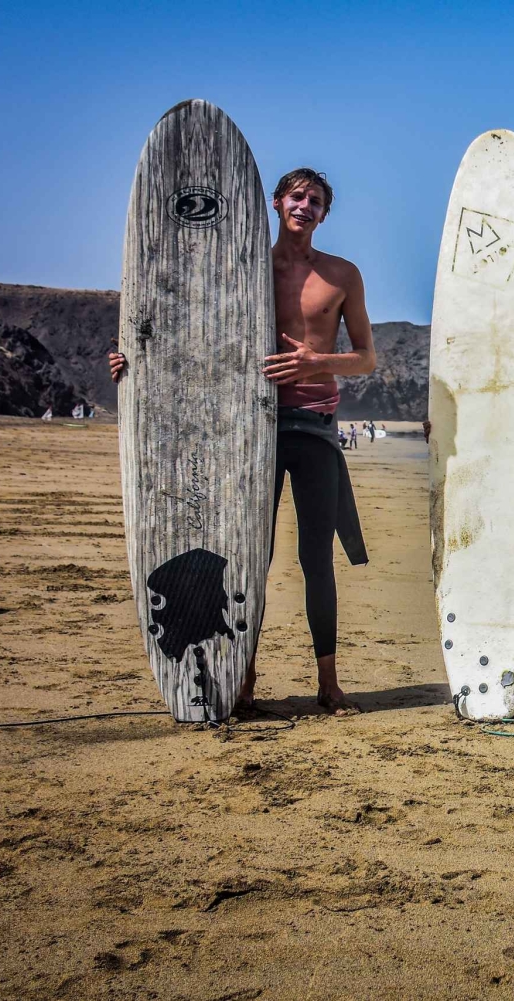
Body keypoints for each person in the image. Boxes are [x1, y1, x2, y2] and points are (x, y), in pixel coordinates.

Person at [110, 167, 376, 715]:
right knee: (248, 556)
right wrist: (133, 362)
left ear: (325, 213)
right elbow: (187, 327)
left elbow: (367, 358)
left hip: (314, 431)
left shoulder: (343, 274)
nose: (306, 206)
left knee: (314, 559)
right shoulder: (241, 269)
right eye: (297, 197)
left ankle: (328, 680)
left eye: (317, 201)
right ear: (277, 203)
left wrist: (316, 360)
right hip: (248, 429)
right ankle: (243, 672)